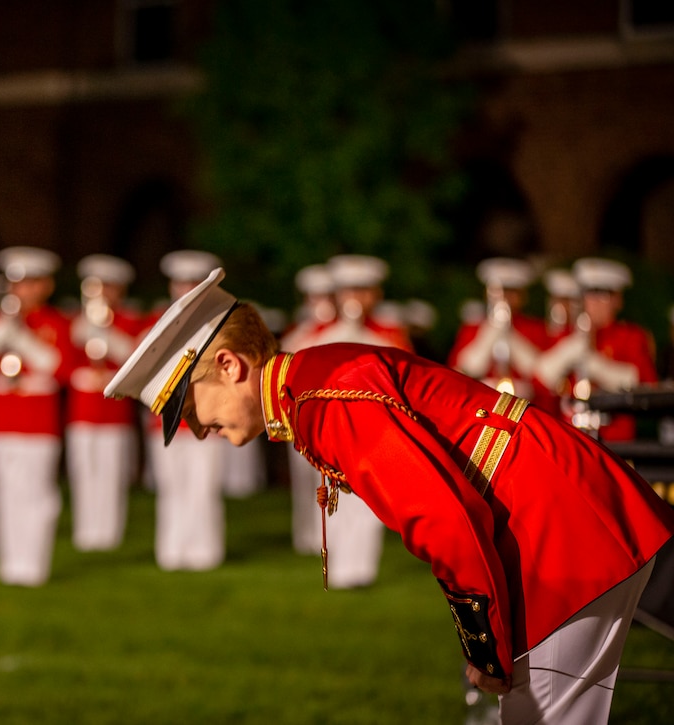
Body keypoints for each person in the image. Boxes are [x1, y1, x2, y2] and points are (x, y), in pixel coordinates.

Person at [104, 267, 674, 723]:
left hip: (555, 527)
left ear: (229, 365)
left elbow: (442, 517)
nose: (198, 430)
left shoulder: (323, 398)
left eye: (189, 408)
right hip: (554, 512)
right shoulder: (310, 385)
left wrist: (487, 649)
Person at [284, 253, 410, 587]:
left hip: (374, 429)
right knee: (334, 500)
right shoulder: (319, 331)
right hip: (331, 429)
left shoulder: (390, 331)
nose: (355, 298)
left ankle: (360, 570)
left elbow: (406, 369)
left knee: (367, 501)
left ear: (376, 295)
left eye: (363, 290)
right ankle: (338, 568)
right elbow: (289, 362)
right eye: (348, 291)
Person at [0, 246, 74, 586]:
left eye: (29, 284)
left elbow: (62, 369)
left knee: (38, 495)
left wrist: (22, 339)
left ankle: (34, 565)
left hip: (39, 422)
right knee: (5, 493)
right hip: (1, 421)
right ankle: (11, 564)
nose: (20, 291)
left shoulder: (56, 322)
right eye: (16, 284)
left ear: (45, 286)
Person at [144, 249, 230, 571]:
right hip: (166, 421)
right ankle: (172, 552)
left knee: (203, 488)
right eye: (181, 283)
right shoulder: (156, 324)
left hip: (206, 420)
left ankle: (204, 553)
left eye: (193, 283)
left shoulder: (224, 324)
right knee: (171, 488)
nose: (186, 290)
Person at [65, 254, 144, 551]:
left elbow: (134, 358)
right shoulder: (75, 321)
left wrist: (104, 332)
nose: (102, 293)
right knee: (83, 471)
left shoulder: (128, 321)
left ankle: (109, 533)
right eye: (96, 287)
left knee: (112, 473)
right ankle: (86, 532)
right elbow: (64, 364)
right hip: (82, 412)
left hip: (114, 412)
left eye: (109, 287)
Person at [534, 257, 658, 441]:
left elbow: (645, 385)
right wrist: (572, 348)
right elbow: (541, 378)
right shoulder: (567, 334)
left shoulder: (631, 336)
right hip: (571, 435)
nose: (593, 302)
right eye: (588, 293)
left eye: (602, 294)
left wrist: (594, 364)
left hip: (615, 438)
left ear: (618, 300)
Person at [280, 264, 334, 555]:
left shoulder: (341, 329)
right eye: (313, 297)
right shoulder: (299, 330)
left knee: (328, 485)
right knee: (303, 482)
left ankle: (326, 537)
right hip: (301, 418)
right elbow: (284, 356)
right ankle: (305, 537)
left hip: (329, 418)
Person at [447, 257, 548, 405]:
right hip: (482, 402)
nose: (505, 297)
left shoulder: (535, 327)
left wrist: (509, 334)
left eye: (511, 292)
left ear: (523, 296)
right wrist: (492, 330)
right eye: (498, 291)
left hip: (526, 404)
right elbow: (462, 370)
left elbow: (541, 374)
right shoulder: (473, 327)